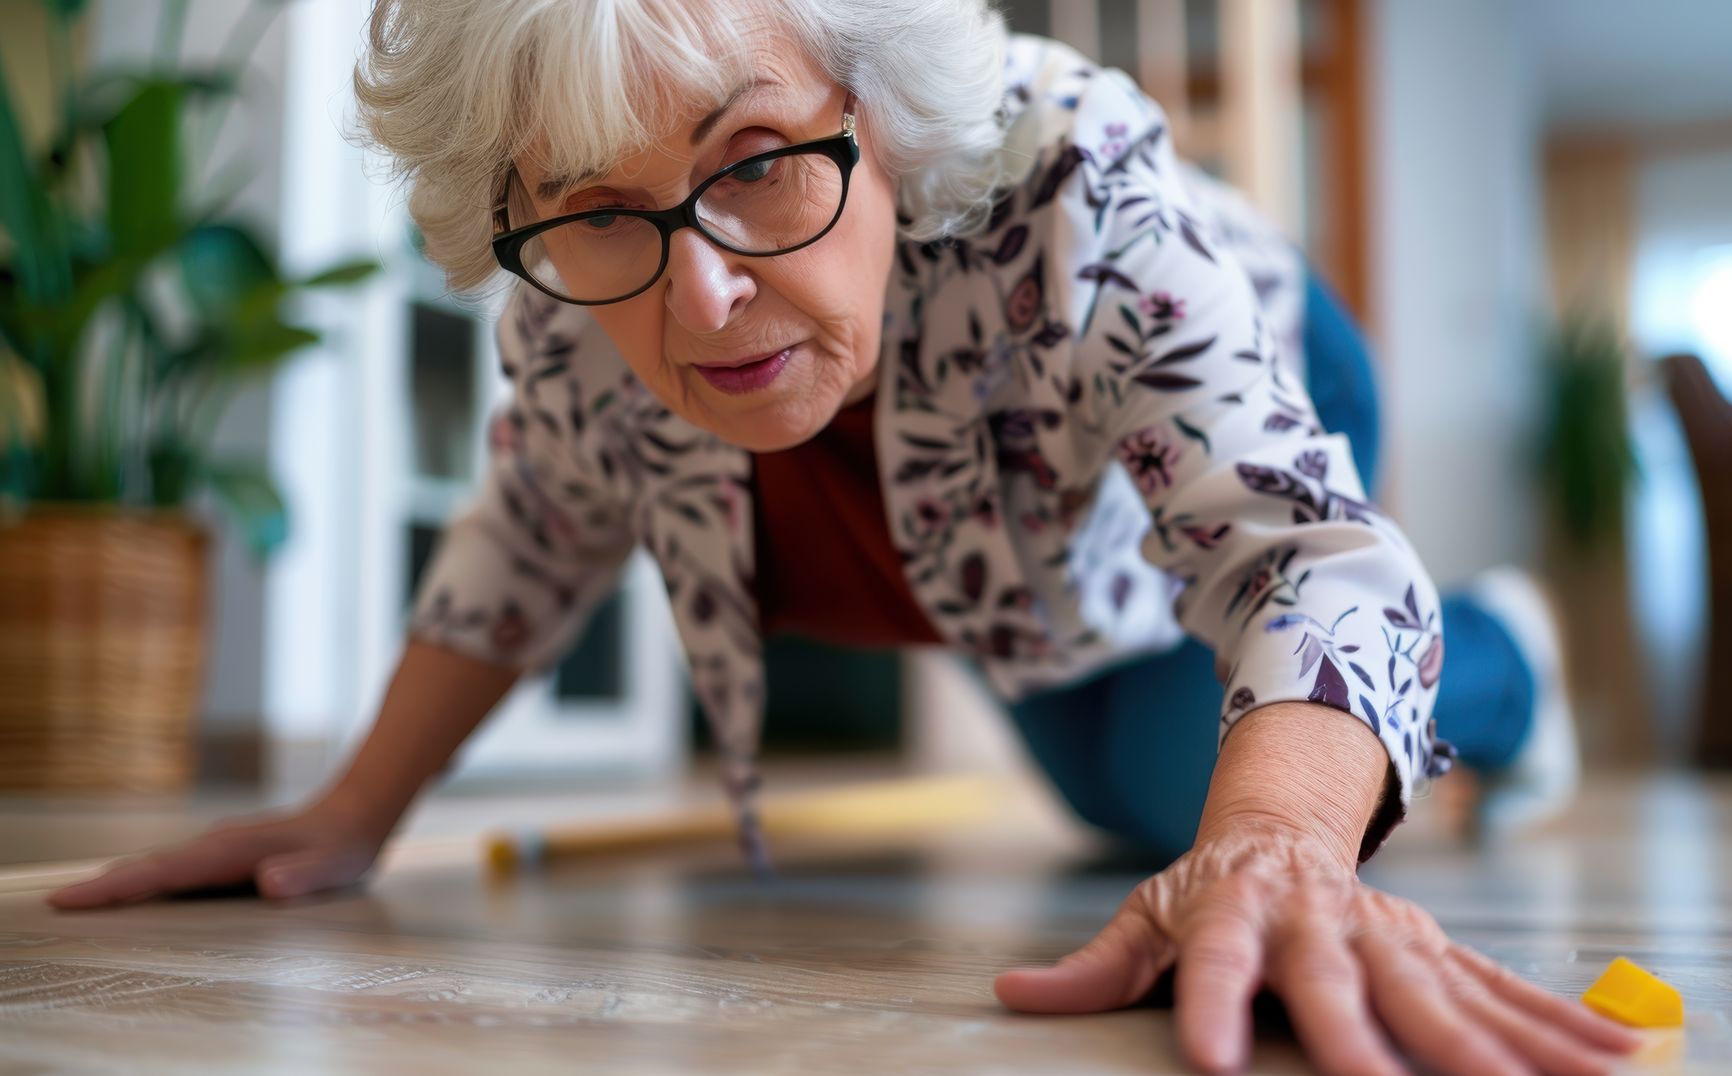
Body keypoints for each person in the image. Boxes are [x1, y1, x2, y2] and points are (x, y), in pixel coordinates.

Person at [50, 3, 1625, 1073]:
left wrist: (1281, 841)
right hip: (999, 574)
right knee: (1127, 798)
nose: (698, 298)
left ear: (885, 113)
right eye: (597, 208)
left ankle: (1503, 664)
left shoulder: (1070, 178)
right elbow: (535, 528)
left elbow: (1293, 554)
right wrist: (346, 813)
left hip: (1232, 393)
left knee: (1197, 801)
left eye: (754, 165)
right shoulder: (573, 302)